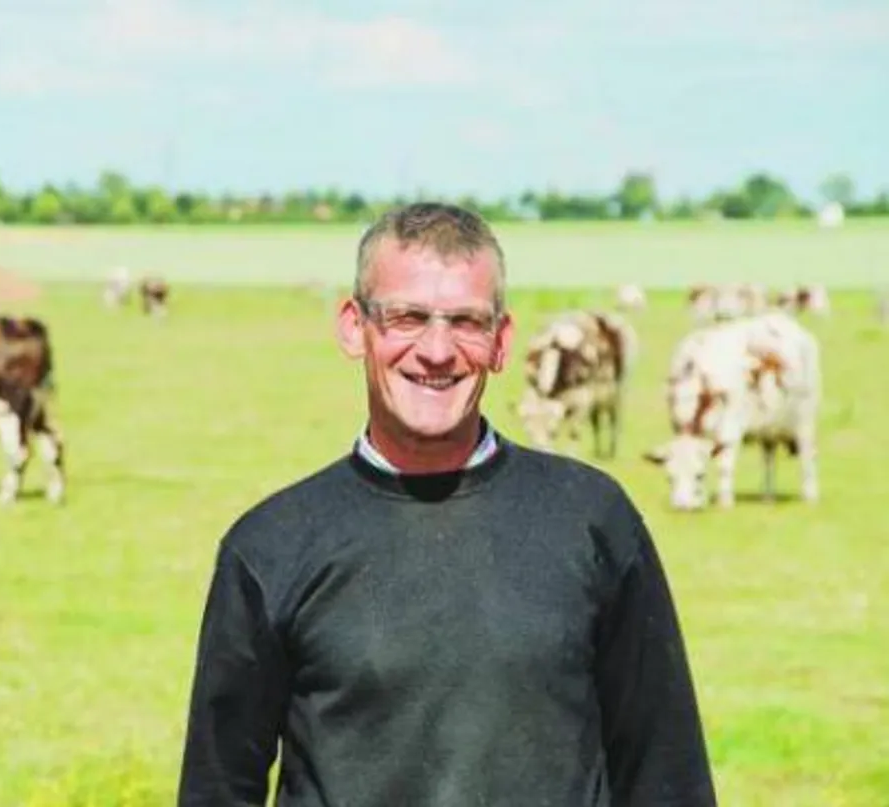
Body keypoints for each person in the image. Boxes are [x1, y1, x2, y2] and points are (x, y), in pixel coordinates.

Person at [176, 202, 717, 807]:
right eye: (407, 318)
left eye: (465, 321)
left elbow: (667, 775)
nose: (437, 351)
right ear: (355, 327)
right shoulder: (270, 549)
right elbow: (218, 790)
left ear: (501, 341)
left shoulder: (593, 522)